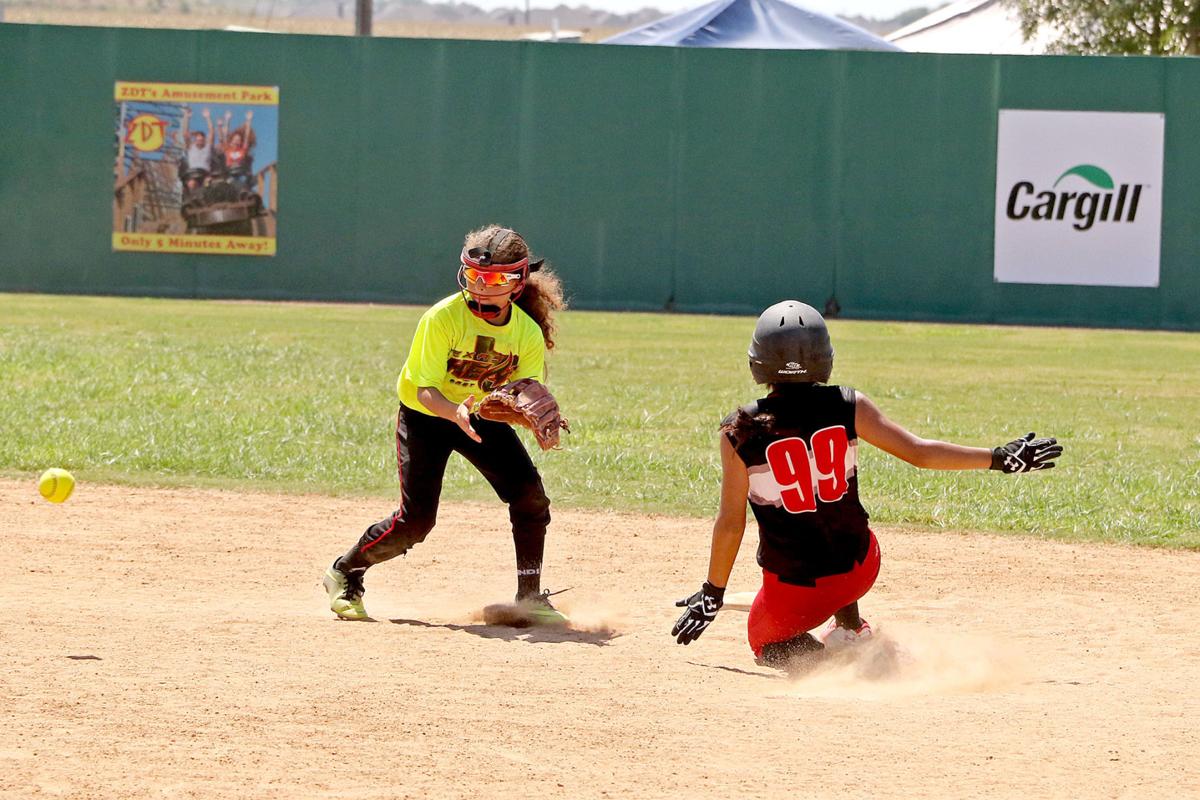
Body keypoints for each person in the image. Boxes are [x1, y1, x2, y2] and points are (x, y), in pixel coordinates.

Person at [671, 300, 1062, 670]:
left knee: (765, 642)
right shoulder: (848, 404)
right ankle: (853, 628)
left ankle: (836, 662)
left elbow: (731, 523)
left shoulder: (739, 430)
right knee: (833, 521)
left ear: (758, 362)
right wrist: (999, 457)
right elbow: (920, 453)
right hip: (861, 566)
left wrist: (713, 593)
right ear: (824, 358)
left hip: (797, 589)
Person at [323, 225, 569, 624]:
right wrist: (454, 412)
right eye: (475, 276)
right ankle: (345, 572)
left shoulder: (525, 333)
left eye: (495, 279)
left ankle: (530, 597)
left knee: (529, 496)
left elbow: (518, 394)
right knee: (416, 521)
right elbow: (423, 391)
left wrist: (528, 416)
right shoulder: (442, 318)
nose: (483, 287)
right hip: (427, 415)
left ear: (518, 282)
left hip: (480, 415)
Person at [178, 107, 213, 198]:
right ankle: (194, 199)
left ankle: (205, 199)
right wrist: (187, 118)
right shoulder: (191, 148)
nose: (200, 141)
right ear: (195, 140)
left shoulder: (207, 148)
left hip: (205, 174)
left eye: (202, 139)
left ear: (204, 140)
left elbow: (212, 132)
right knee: (192, 184)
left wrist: (208, 118)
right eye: (198, 139)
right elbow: (185, 134)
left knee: (208, 183)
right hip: (193, 174)